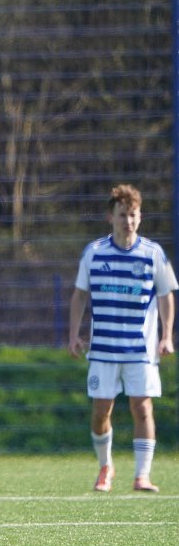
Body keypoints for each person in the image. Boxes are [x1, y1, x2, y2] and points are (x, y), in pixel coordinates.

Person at [68, 183, 176, 493]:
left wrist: (167, 335)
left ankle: (142, 475)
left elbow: (166, 295)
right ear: (110, 217)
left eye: (133, 215)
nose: (128, 221)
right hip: (103, 349)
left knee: (142, 408)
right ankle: (106, 466)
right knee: (101, 411)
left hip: (140, 350)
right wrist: (73, 335)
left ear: (140, 217)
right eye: (122, 215)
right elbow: (79, 295)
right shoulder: (94, 252)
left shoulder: (152, 253)